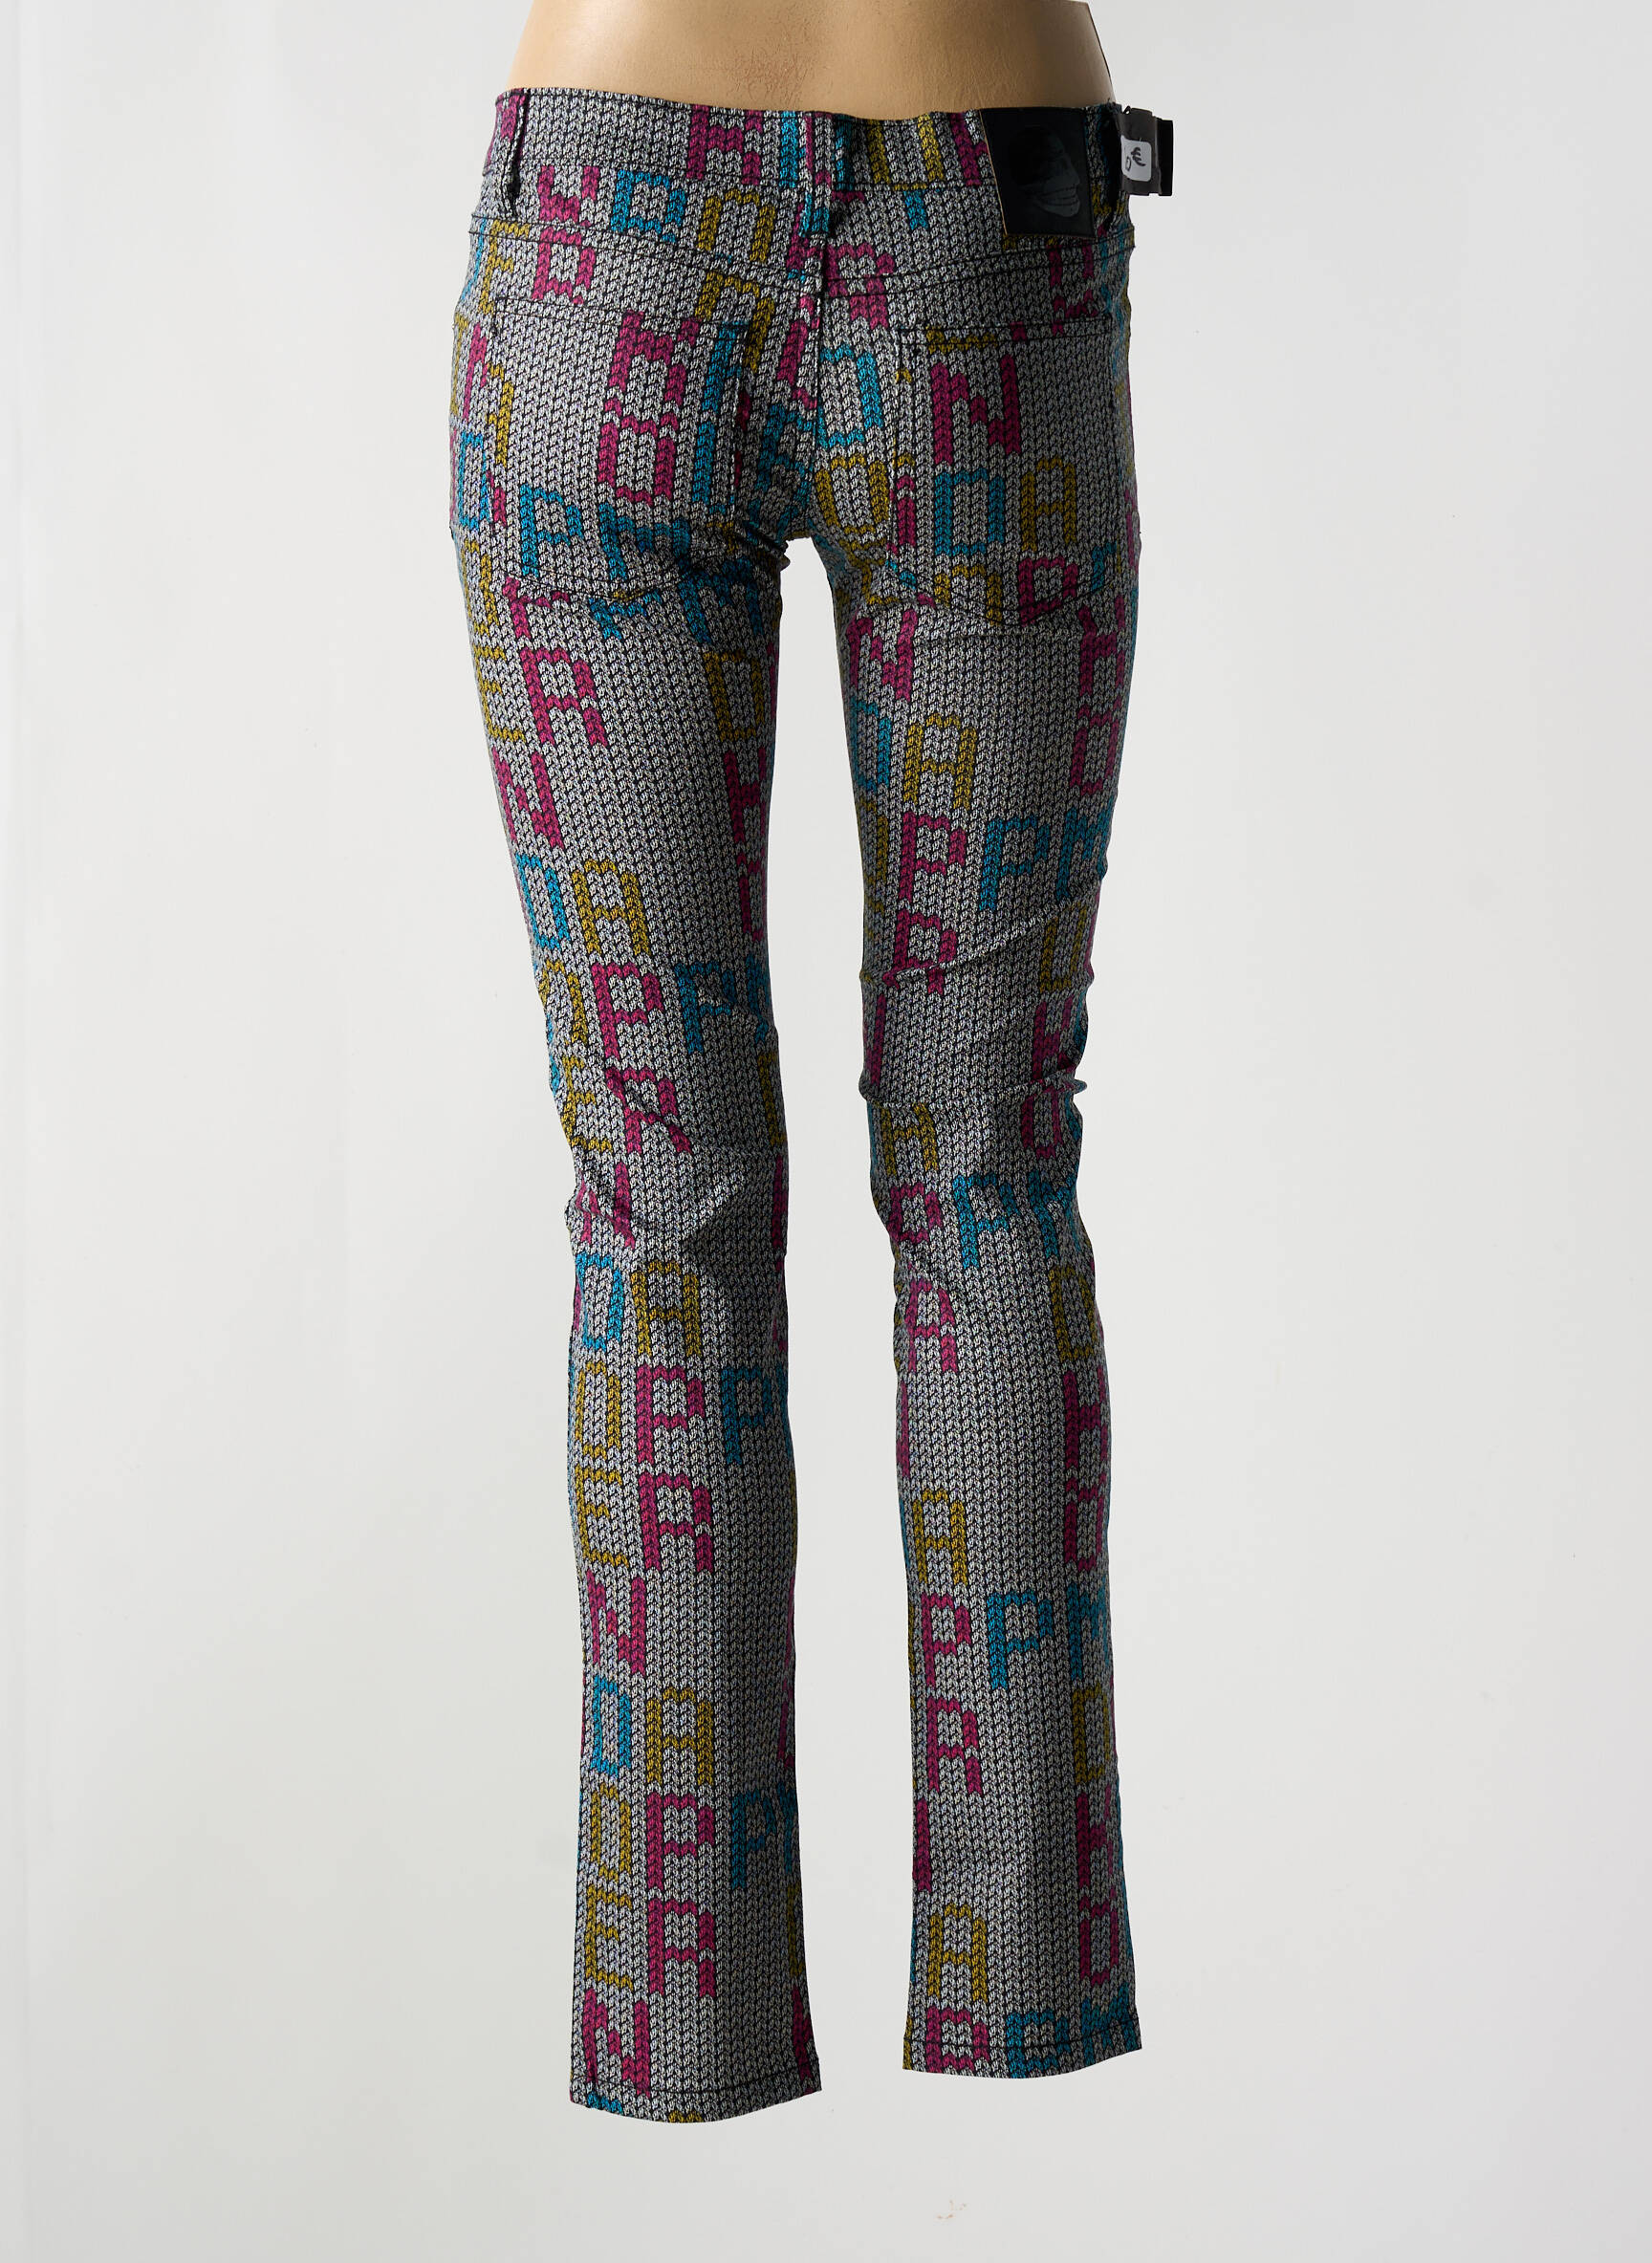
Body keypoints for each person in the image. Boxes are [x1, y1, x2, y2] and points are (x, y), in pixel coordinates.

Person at [446, 0, 1166, 2122]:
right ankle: (1022, 1987)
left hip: (605, 264)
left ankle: (688, 2029)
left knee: (662, 1210)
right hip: (987, 242)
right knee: (988, 1176)